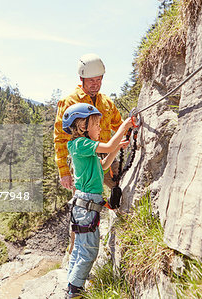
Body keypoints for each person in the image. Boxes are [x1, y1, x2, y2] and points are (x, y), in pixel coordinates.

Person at [62, 103, 133, 298]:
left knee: (79, 248)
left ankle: (71, 284)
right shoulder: (80, 144)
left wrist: (117, 148)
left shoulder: (82, 147)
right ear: (83, 126)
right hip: (86, 205)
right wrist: (123, 127)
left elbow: (102, 166)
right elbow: (108, 145)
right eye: (96, 124)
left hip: (83, 205)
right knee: (89, 252)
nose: (100, 128)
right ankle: (74, 292)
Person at [54, 53, 123, 191]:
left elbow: (119, 125)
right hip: (83, 161)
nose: (95, 84)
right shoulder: (69, 102)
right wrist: (64, 172)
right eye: (91, 80)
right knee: (84, 204)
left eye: (99, 80)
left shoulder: (106, 102)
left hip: (108, 156)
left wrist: (125, 136)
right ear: (82, 79)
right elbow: (60, 139)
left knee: (120, 194)